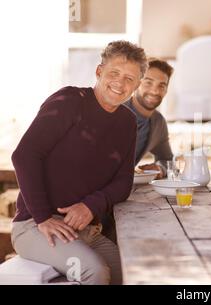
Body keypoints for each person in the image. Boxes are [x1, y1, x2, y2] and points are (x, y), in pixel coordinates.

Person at [10, 40, 147, 285]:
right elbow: (25, 155)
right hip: (36, 226)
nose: (120, 83)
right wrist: (42, 217)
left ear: (137, 86)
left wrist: (90, 206)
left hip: (85, 231)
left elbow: (124, 181)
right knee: (95, 272)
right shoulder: (70, 101)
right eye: (114, 73)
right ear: (99, 72)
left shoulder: (127, 122)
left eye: (129, 79)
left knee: (133, 273)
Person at [124, 58, 174, 179]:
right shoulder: (115, 112)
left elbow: (167, 161)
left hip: (129, 190)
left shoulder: (158, 122)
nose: (155, 91)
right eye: (148, 82)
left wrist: (160, 168)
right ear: (136, 83)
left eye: (162, 85)